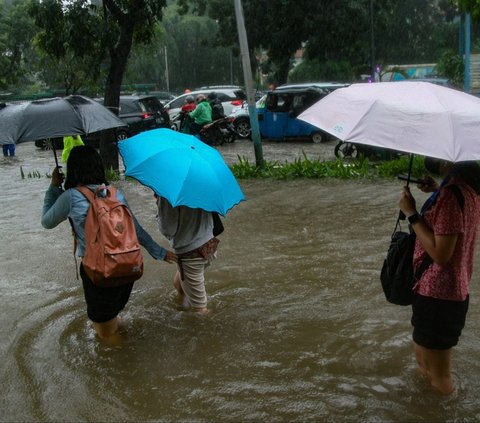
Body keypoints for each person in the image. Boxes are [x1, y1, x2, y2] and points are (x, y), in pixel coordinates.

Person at [41, 146, 176, 341]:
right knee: (111, 319)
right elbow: (136, 230)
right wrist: (160, 253)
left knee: (106, 335)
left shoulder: (70, 197)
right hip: (127, 268)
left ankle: (125, 367)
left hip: (98, 273)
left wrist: (54, 187)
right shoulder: (115, 194)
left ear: (73, 169)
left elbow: (46, 222)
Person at [398, 157, 480, 395]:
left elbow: (440, 254)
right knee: (425, 364)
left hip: (439, 294)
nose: (427, 158)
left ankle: (442, 412)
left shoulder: (451, 197)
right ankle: (429, 409)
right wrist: (437, 189)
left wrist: (412, 213)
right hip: (444, 292)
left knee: (438, 374)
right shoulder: (467, 189)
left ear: (449, 160)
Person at [155, 195, 219, 314]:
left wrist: (159, 210)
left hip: (191, 254)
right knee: (179, 280)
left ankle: (209, 327)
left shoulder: (167, 194)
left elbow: (168, 229)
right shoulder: (201, 182)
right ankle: (181, 303)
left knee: (200, 310)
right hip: (210, 244)